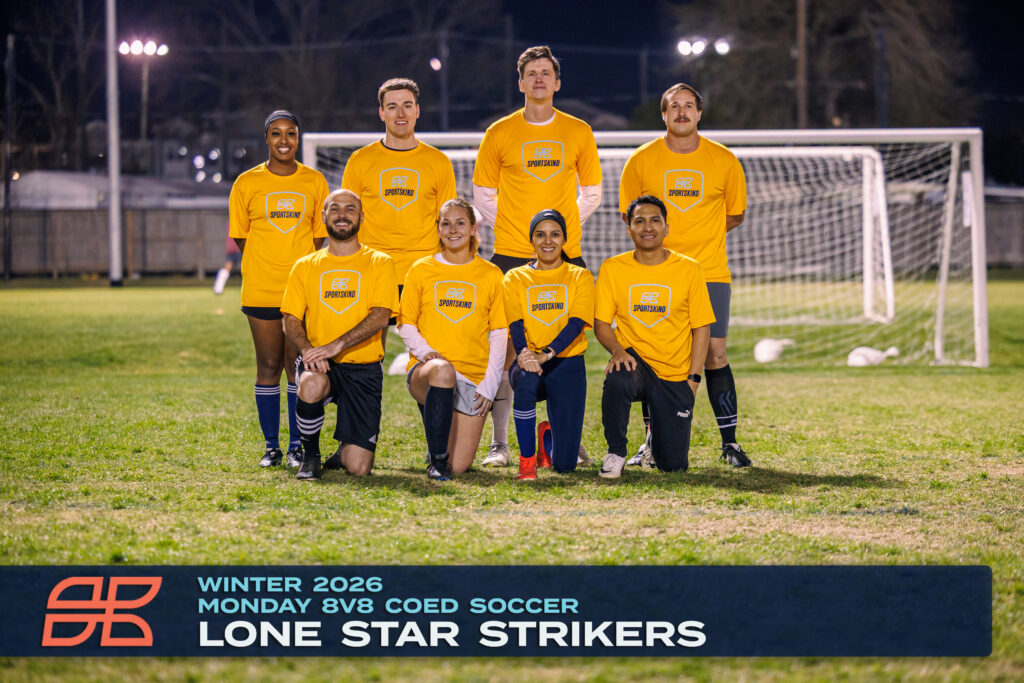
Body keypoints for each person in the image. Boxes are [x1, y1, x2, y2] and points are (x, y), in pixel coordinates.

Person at [472, 45, 602, 467]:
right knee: (506, 351)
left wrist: (555, 235)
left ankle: (566, 438)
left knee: (568, 348)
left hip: (566, 258)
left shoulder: (579, 130)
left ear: (557, 82)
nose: (540, 78)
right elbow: (482, 194)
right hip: (510, 254)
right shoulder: (499, 132)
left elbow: (592, 193)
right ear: (521, 83)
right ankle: (501, 444)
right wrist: (523, 232)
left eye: (546, 72)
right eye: (532, 73)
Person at [618, 83, 752, 468]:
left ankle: (730, 444)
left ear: (699, 113)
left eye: (688, 106)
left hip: (710, 272)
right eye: (674, 106)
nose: (681, 112)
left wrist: (699, 237)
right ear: (663, 114)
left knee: (715, 352)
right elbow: (630, 215)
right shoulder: (641, 160)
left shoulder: (723, 159)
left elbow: (735, 214)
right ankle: (650, 443)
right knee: (657, 357)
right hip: (658, 274)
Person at [229, 110, 329, 469]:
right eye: (276, 133)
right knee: (269, 364)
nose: (283, 140)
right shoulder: (246, 183)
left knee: (296, 366)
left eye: (290, 133)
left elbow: (319, 237)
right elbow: (241, 236)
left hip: (300, 292)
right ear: (267, 139)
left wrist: (296, 270)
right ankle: (271, 446)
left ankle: (295, 445)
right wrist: (267, 262)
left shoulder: (314, 181)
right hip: (261, 288)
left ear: (298, 139)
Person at [341, 78, 457, 375]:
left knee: (432, 359)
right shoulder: (360, 160)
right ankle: (365, 408)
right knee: (365, 361)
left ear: (418, 110)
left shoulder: (438, 162)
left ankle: (434, 408)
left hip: (423, 271)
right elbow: (348, 221)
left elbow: (448, 223)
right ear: (381, 113)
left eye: (407, 105)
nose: (400, 113)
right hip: (375, 272)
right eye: (392, 107)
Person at [280, 189, 398, 480]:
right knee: (309, 383)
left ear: (361, 217)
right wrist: (308, 350)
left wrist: (336, 346)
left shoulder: (380, 262)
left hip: (364, 367)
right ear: (323, 217)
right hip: (321, 363)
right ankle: (310, 456)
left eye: (350, 209)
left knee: (358, 468)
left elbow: (381, 316)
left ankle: (346, 449)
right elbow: (290, 319)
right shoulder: (305, 266)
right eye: (334, 209)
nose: (342, 215)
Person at [595, 195, 715, 479]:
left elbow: (702, 329)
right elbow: (601, 325)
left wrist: (693, 380)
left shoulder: (690, 269)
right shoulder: (613, 268)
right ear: (629, 229)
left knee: (673, 466)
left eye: (654, 220)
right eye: (639, 221)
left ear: (666, 228)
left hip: (674, 373)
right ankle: (616, 453)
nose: (647, 227)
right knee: (618, 377)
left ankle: (653, 441)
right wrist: (617, 350)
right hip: (636, 362)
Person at [397, 198, 508, 480]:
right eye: (445, 223)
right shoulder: (421, 269)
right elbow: (406, 324)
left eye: (460, 223)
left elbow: (499, 335)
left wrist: (489, 385)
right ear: (438, 229)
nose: (453, 230)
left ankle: (438, 434)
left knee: (459, 465)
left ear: (472, 228)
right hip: (429, 370)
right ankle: (437, 460)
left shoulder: (491, 274)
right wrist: (426, 352)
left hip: (472, 377)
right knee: (443, 371)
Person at [503, 209, 594, 480]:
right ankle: (527, 461)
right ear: (531, 240)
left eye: (555, 234)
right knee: (528, 379)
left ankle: (547, 438)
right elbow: (515, 324)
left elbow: (576, 324)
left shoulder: (580, 276)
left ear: (564, 239)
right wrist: (524, 354)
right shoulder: (515, 277)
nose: (547, 241)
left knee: (565, 466)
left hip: (567, 362)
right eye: (540, 234)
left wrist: (546, 353)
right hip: (528, 360)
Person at [213, 227, 241, 295]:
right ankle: (218, 288)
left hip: (233, 247)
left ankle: (218, 288)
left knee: (228, 266)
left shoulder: (230, 223)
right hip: (238, 247)